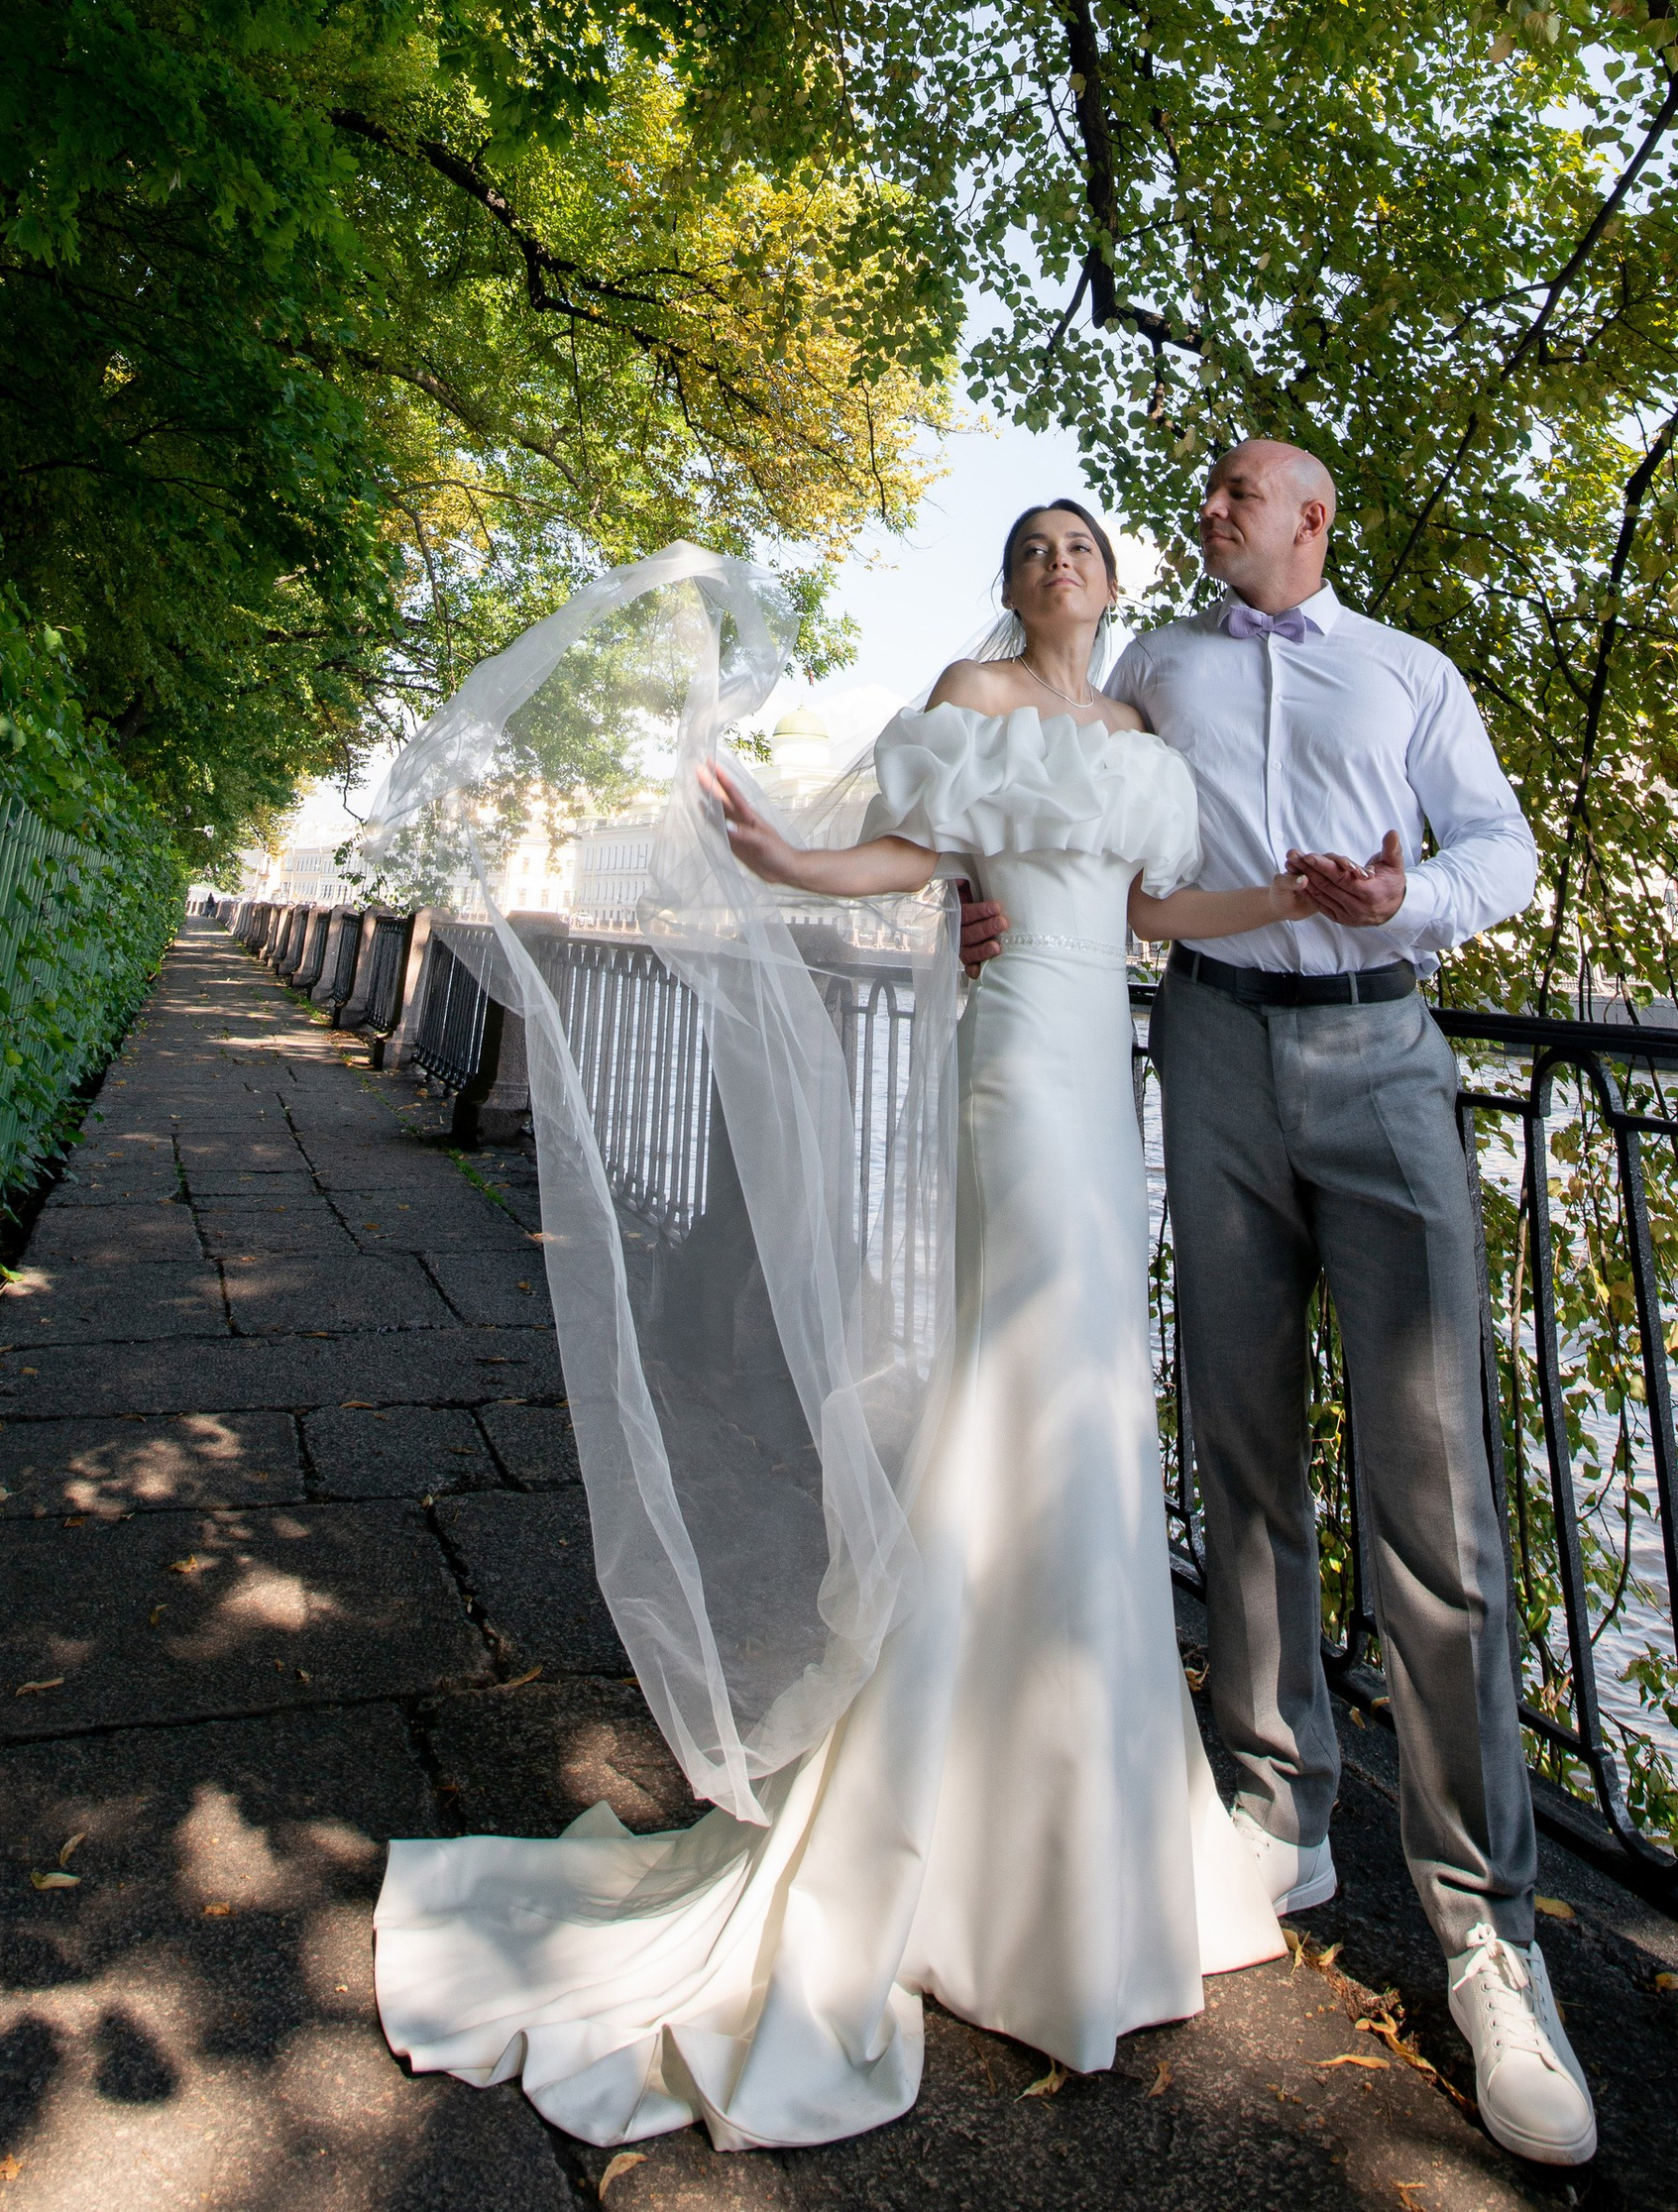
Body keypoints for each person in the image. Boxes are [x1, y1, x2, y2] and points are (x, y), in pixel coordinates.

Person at [370, 502, 1306, 2148]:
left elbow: (1157, 917)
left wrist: (1293, 895)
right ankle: (955, 1805)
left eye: (1080, 543)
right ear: (1008, 587)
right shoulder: (976, 689)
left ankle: (1087, 1811)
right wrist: (796, 864)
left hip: (1107, 1085)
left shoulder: (1141, 723)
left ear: (1117, 578)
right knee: (1024, 1369)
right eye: (1030, 547)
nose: (1056, 561)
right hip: (1015, 1071)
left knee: (1087, 1397)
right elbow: (918, 857)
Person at [1100, 436, 1598, 2170]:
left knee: (1436, 1495)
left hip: (1387, 1053)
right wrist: (1000, 905)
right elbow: (1075, 807)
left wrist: (1417, 900)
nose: (1212, 509)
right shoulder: (1152, 663)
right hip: (1214, 1045)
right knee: (1240, 1450)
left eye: (1240, 493)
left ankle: (1486, 1936)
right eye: (1212, 491)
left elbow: (1505, 848)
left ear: (1316, 523)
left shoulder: (1408, 671)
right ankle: (1271, 1810)